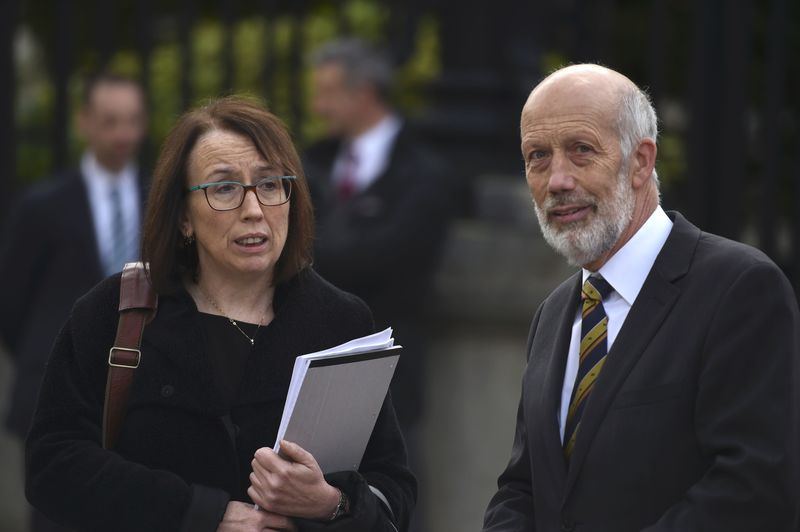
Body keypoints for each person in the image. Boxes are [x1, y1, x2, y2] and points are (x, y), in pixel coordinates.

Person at [25, 96, 415, 532]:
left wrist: (331, 503)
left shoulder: (341, 321)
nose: (253, 210)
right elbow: (52, 465)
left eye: (270, 184)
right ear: (183, 218)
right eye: (224, 188)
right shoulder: (119, 311)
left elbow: (393, 489)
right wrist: (205, 515)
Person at [482, 64, 800, 531]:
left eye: (581, 151)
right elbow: (523, 488)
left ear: (641, 161)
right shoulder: (553, 315)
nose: (557, 181)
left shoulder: (739, 288)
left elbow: (753, 488)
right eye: (538, 156)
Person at [0, 72, 148, 532]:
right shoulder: (42, 205)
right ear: (84, 122)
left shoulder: (162, 199)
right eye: (110, 121)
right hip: (53, 388)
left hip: (140, 392)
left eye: (133, 121)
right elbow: (10, 302)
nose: (123, 134)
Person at [304, 37, 451, 476]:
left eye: (327, 94)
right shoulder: (312, 163)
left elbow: (390, 258)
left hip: (390, 370)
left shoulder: (425, 173)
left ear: (364, 93)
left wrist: (312, 251)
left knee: (388, 492)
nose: (318, 107)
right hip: (311, 360)